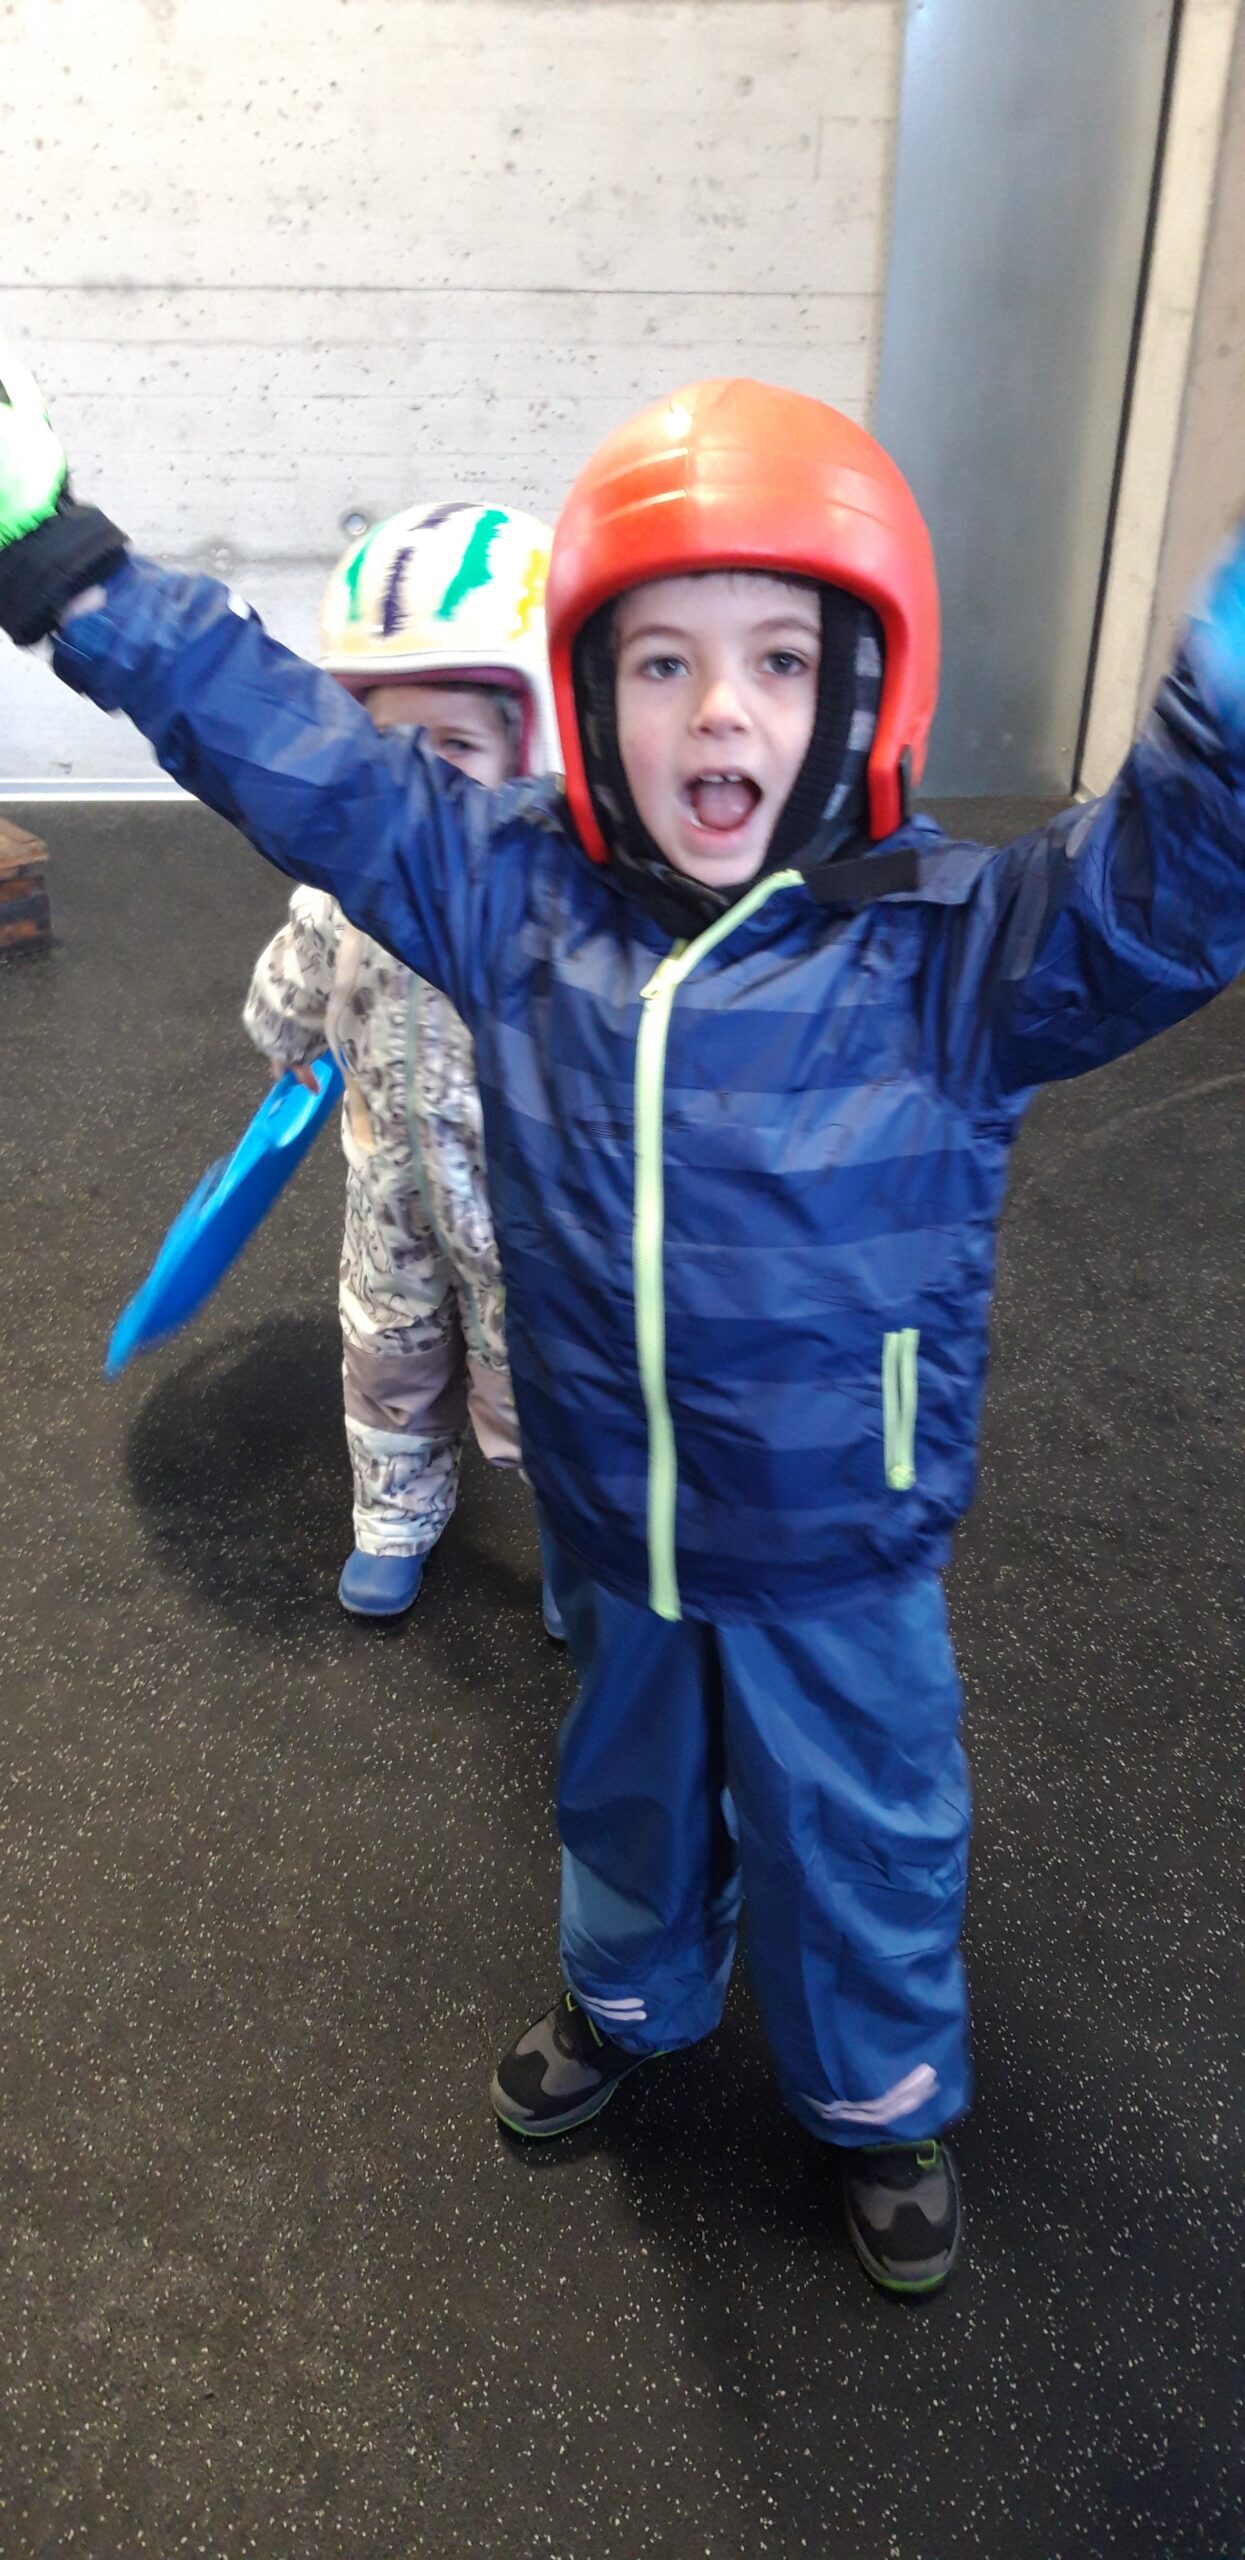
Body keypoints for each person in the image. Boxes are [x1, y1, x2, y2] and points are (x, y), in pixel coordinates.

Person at [2, 360, 1243, 2297]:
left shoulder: (955, 955)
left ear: (865, 690)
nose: (719, 708)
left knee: (861, 1831)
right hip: (618, 1518)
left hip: (839, 1540)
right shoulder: (514, 902)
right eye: (662, 662)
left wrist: (1221, 744)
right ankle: (633, 2000)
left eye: (776, 659)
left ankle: (877, 2092)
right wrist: (66, 570)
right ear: (587, 696)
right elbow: (292, 751)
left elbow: (1158, 902)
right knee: (627, 1798)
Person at [240, 500, 566, 1627]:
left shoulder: (557, 912)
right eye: (393, 752)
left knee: (544, 1377)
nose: (420, 787)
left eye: (458, 749)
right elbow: (293, 977)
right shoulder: (345, 886)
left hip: (527, 1211)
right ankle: (394, 1519)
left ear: (530, 749)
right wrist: (283, 1039)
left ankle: (579, 1548)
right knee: (390, 1356)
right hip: (389, 1192)